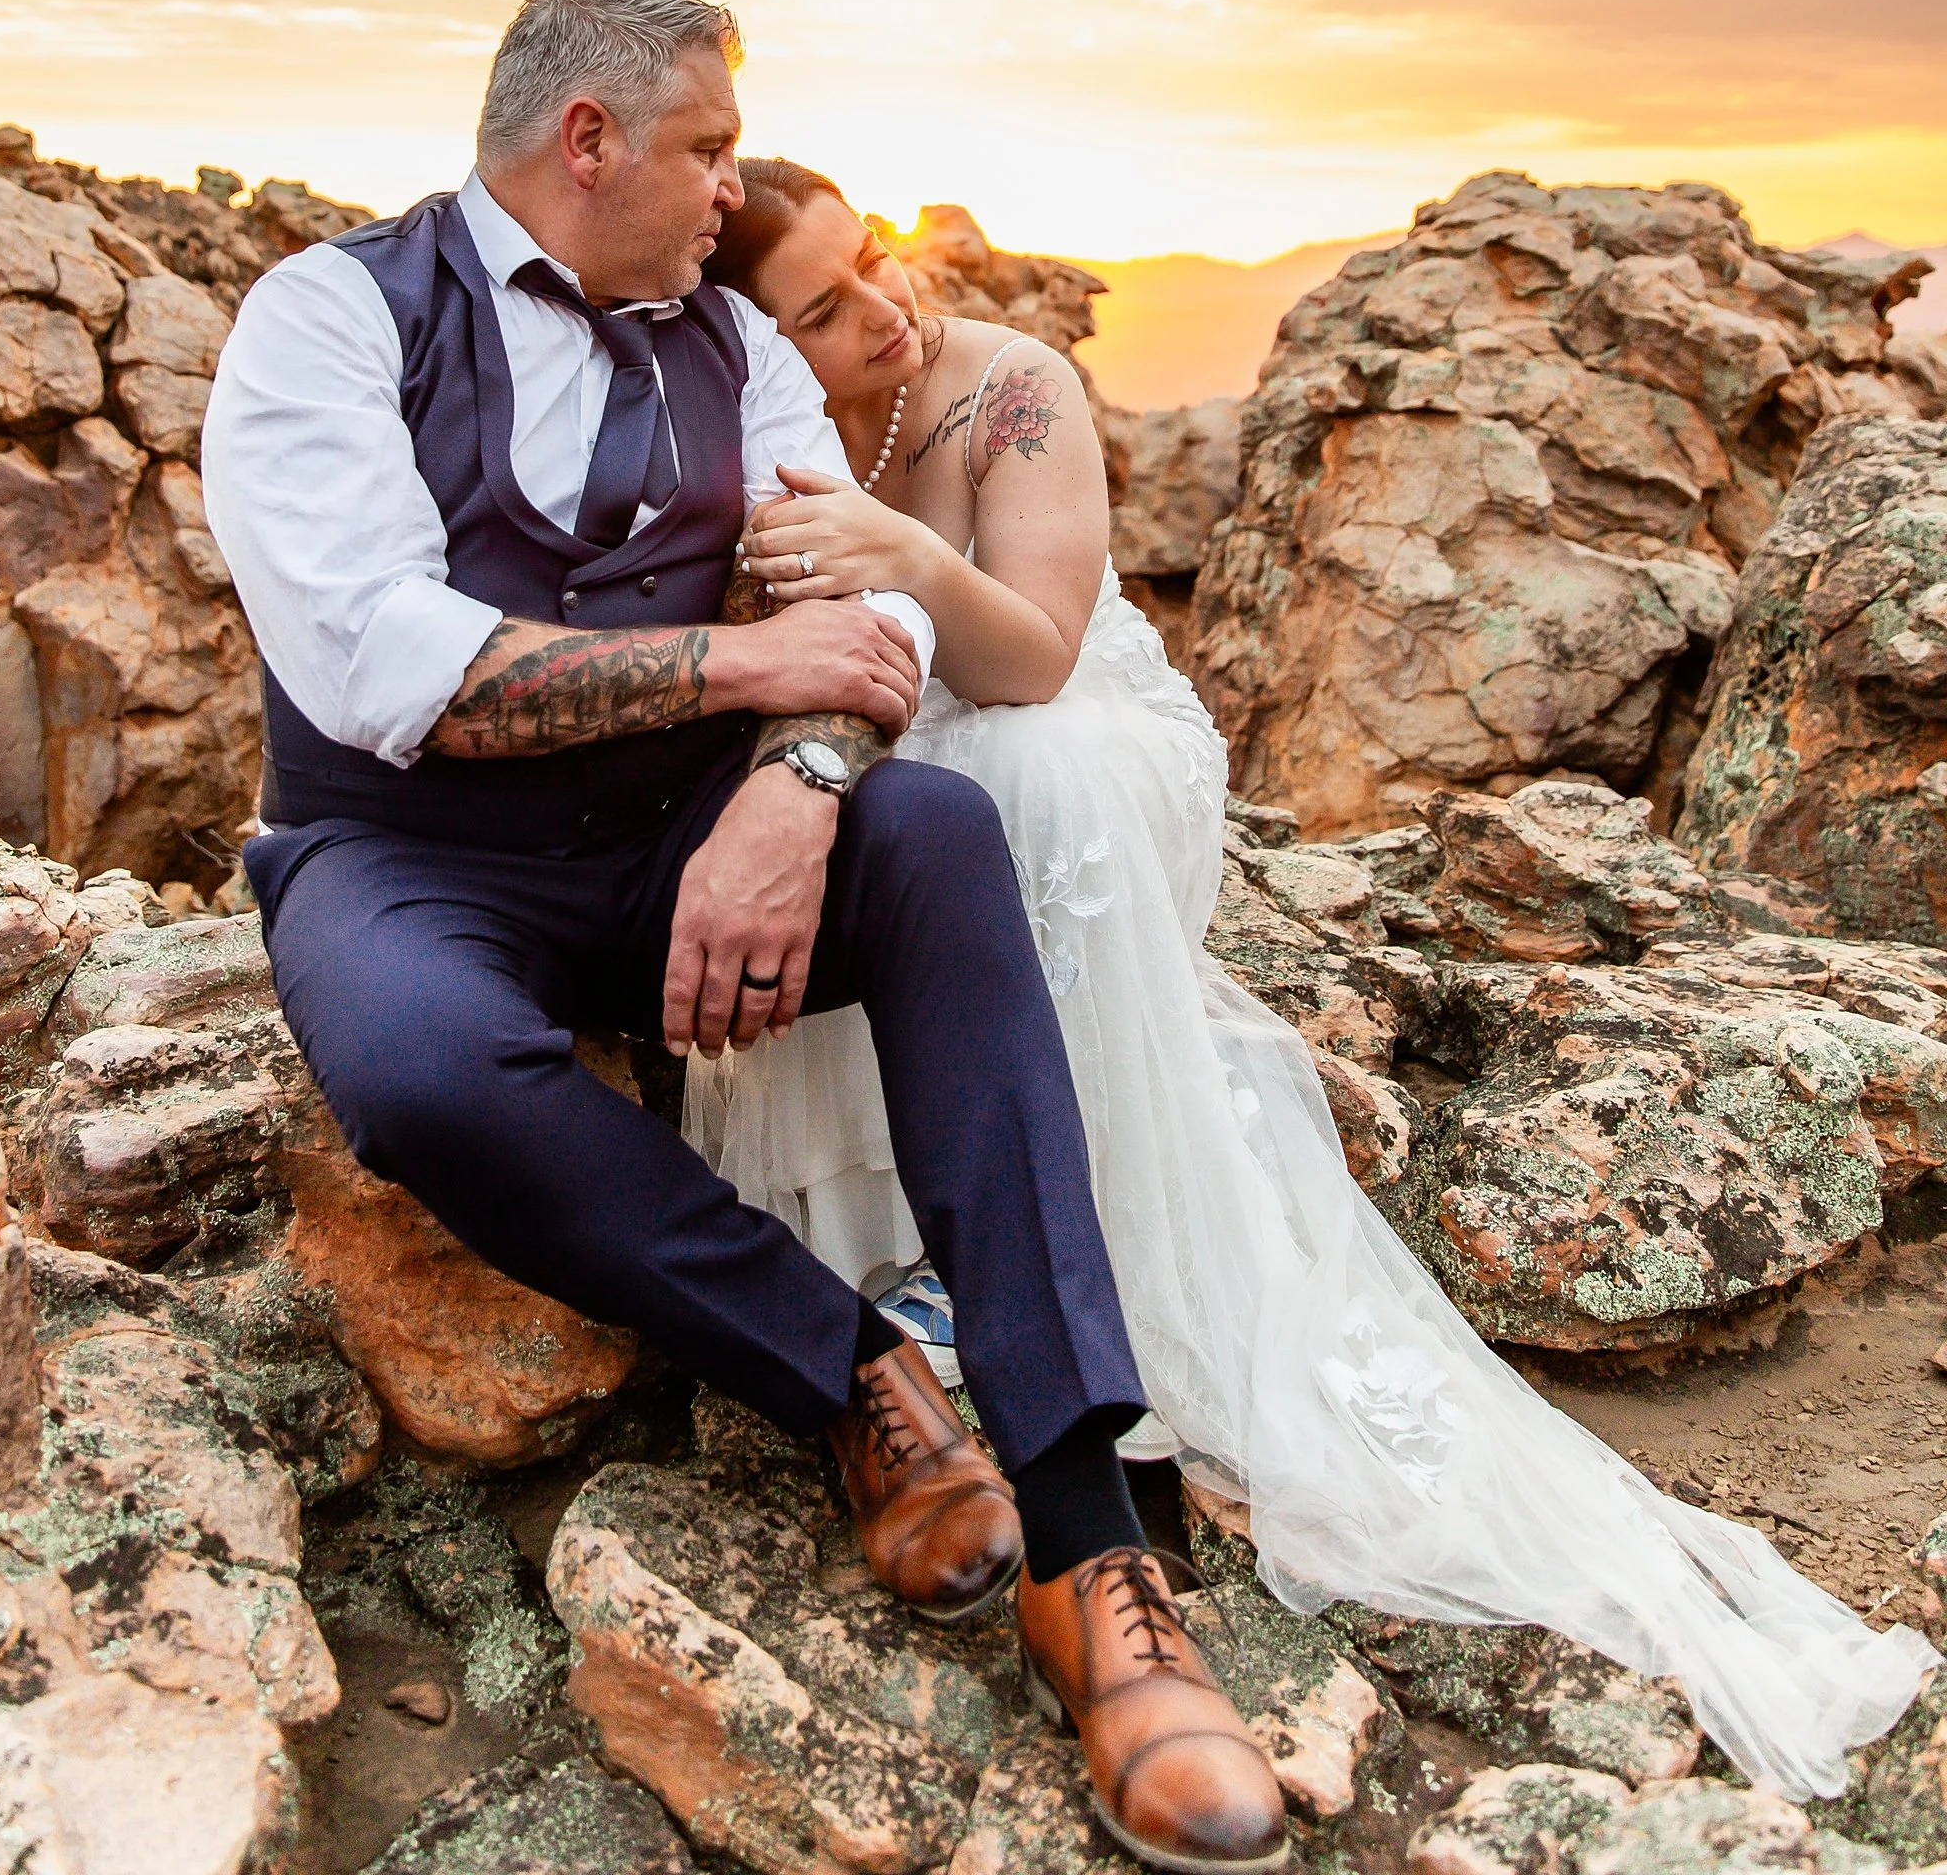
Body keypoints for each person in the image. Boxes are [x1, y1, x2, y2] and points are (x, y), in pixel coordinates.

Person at [200, 0, 1288, 1875]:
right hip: (409, 853)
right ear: (588, 138)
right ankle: (856, 1372)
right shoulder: (329, 319)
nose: (730, 192)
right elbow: (395, 666)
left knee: (935, 835)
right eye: (705, 149)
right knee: (423, 1068)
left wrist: (792, 788)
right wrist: (742, 671)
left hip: (692, 839)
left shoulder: (741, 345)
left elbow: (861, 621)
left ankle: (1089, 1551)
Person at [688, 155, 1939, 1804]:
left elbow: (1038, 659)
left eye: (873, 268)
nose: (879, 310)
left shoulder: (1010, 391)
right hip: (893, 758)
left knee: (1025, 779)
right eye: (821, 308)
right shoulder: (742, 437)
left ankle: (1071, 1247)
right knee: (859, 817)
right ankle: (909, 1240)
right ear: (753, 342)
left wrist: (901, 564)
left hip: (1063, 735)